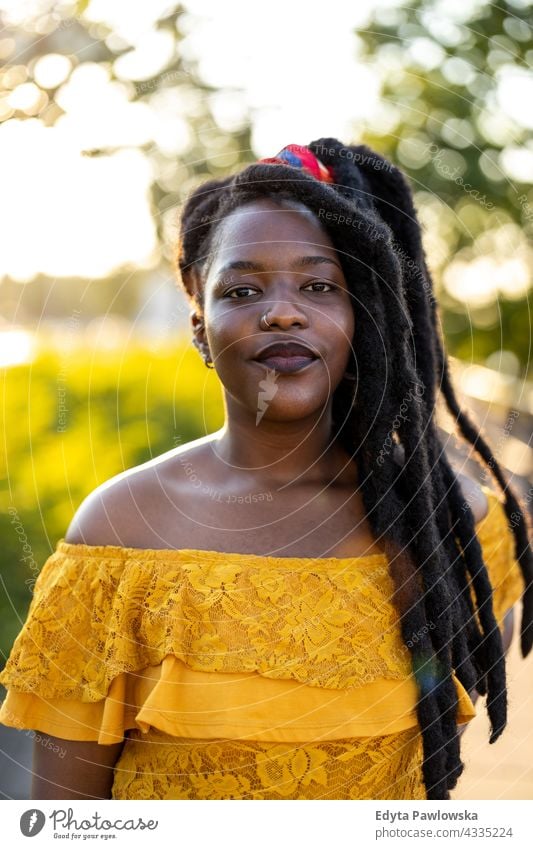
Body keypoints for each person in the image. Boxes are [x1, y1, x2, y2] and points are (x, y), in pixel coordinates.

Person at [0, 139, 531, 801]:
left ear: (365, 318)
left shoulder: (451, 526)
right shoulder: (121, 534)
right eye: (243, 288)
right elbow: (65, 818)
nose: (281, 311)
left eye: (318, 285)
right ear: (201, 325)